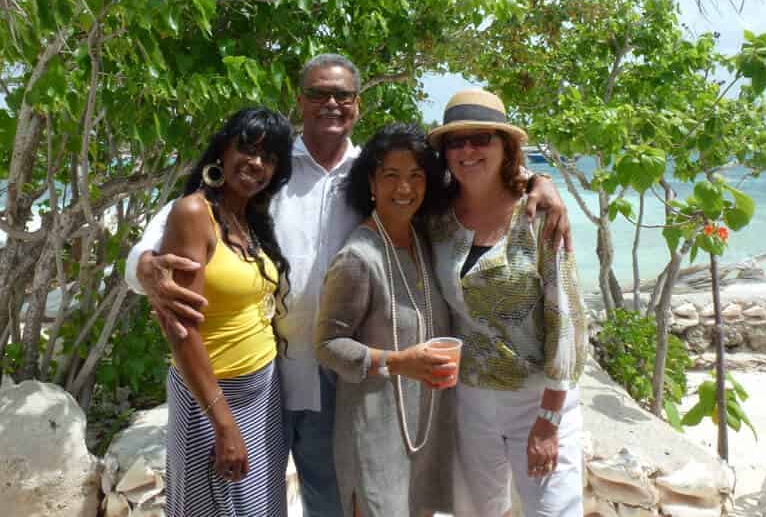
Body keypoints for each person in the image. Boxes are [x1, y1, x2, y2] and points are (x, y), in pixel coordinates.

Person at [125, 55, 573, 517]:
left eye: (342, 95)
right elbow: (185, 215)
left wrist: (538, 182)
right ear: (300, 100)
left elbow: (469, 182)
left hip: (335, 381)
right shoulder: (272, 168)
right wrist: (143, 263)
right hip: (265, 371)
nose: (330, 104)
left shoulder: (376, 172)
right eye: (318, 94)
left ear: (358, 106)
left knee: (330, 503)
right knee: (242, 501)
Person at [426, 88, 587, 517]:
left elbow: (566, 319)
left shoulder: (538, 215)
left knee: (554, 511)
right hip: (468, 399)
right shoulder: (436, 218)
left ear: (506, 145)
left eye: (481, 137)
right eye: (456, 141)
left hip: (538, 399)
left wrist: (549, 422)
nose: (467, 149)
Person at [157, 107, 294, 516]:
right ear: (222, 151)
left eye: (268, 158)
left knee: (257, 506)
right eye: (247, 150)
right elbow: (181, 330)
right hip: (211, 397)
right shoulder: (194, 214)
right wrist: (223, 423)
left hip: (262, 391)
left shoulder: (249, 217)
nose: (257, 163)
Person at [315, 123, 456, 516]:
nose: (404, 188)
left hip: (425, 427)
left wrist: (540, 185)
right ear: (371, 184)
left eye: (415, 176)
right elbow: (326, 345)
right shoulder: (359, 258)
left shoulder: (424, 239)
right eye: (390, 176)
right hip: (374, 430)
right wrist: (396, 362)